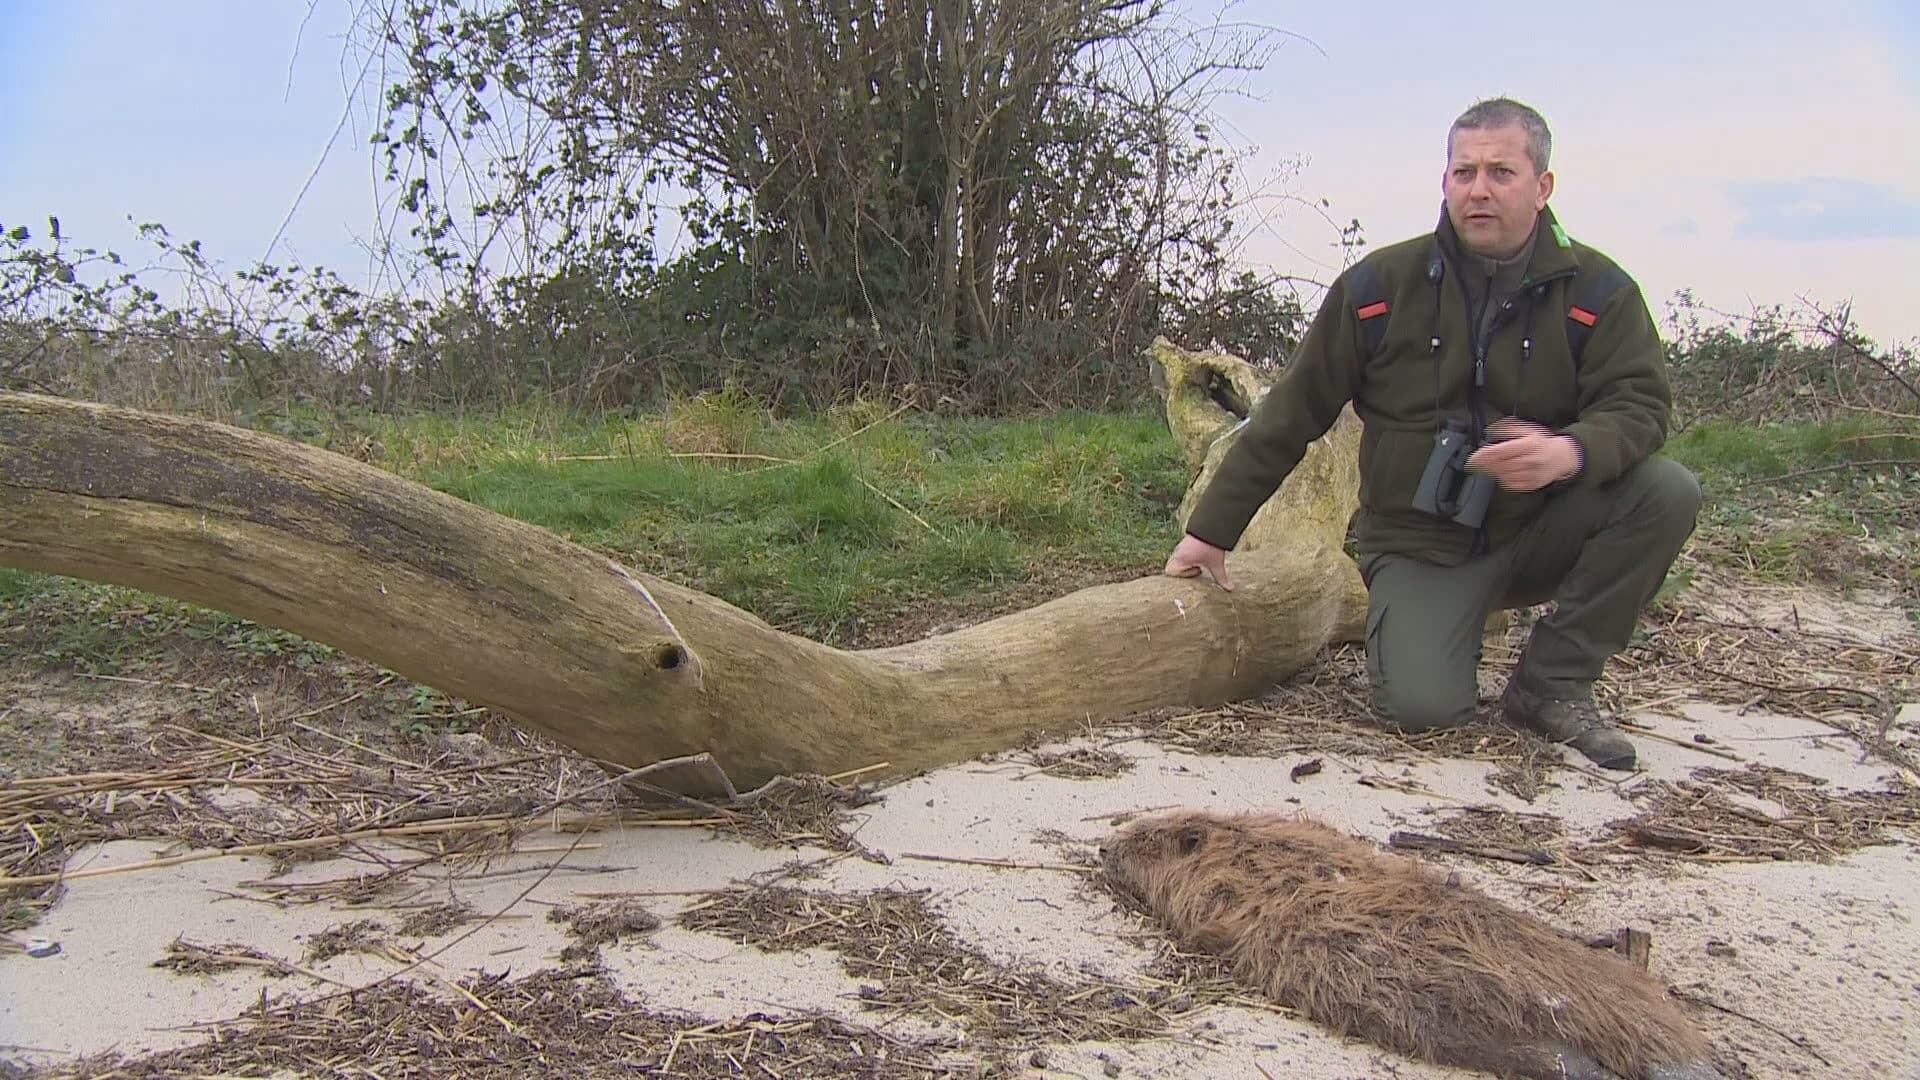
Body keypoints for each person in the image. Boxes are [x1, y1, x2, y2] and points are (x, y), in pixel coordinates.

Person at [1163, 97, 1701, 771]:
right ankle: (1442, 631)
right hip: (1421, 542)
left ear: (1543, 186)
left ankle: (1553, 682)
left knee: (1667, 490)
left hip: (1540, 526)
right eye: (1463, 171)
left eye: (1501, 172)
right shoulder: (1377, 287)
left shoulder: (1600, 291)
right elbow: (1292, 412)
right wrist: (1209, 532)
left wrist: (1570, 452)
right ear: (1444, 181)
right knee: (1422, 711)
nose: (1479, 189)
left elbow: (1642, 404)